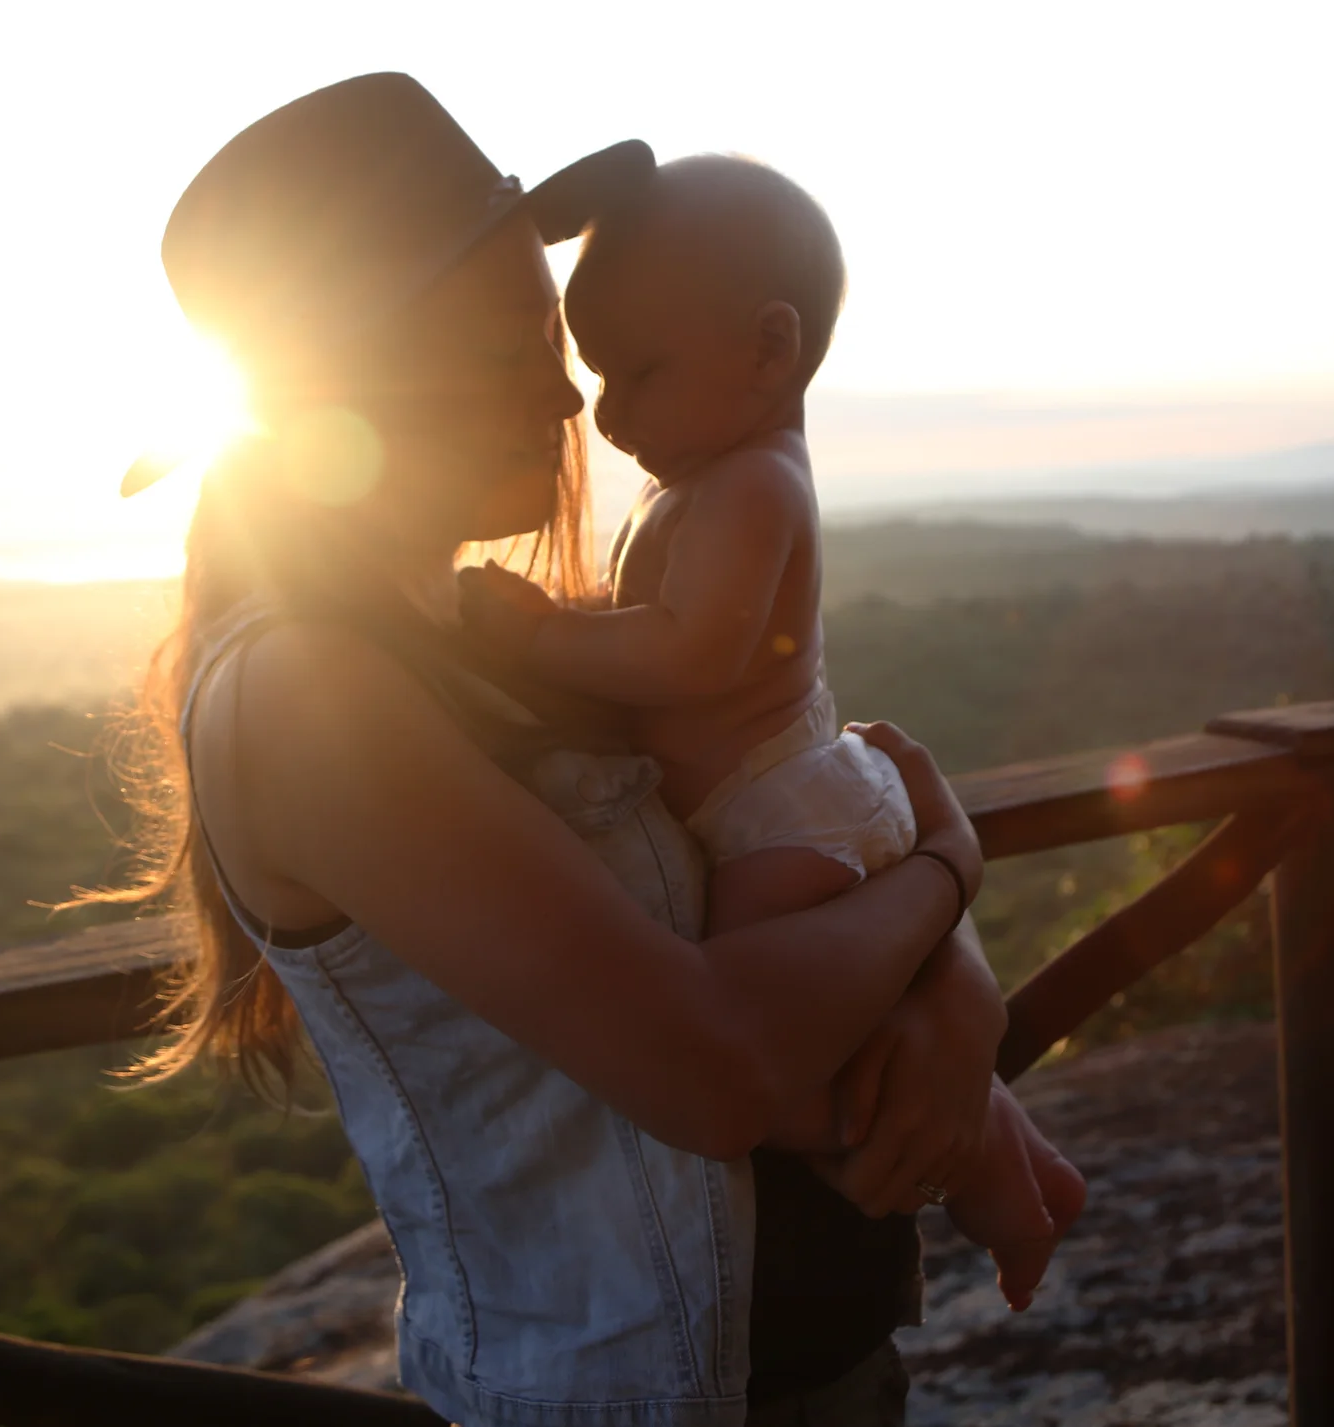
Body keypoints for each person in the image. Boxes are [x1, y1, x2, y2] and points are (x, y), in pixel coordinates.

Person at [97, 73, 1078, 1427]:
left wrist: (952, 984)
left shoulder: (476, 632)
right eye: (513, 341)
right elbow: (713, 1064)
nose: (568, 397)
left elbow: (771, 812)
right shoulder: (307, 692)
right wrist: (946, 880)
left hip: (814, 1375)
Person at [457, 154, 1081, 1311]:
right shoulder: (704, 479)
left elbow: (696, 651)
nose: (604, 411)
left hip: (780, 806)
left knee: (775, 1051)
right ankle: (1022, 1158)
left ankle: (992, 1179)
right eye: (597, 373)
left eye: (638, 371)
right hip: (778, 800)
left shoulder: (753, 486)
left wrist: (539, 638)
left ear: (769, 349)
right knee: (836, 1024)